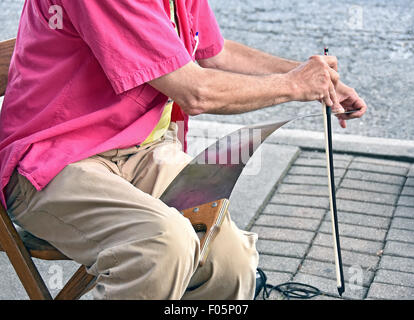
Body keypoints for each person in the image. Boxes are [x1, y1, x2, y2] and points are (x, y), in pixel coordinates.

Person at [0, 0, 367, 300]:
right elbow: (195, 91)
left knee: (232, 263)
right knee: (161, 245)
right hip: (52, 160)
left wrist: (310, 75)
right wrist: (293, 85)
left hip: (142, 149)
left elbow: (213, 54)